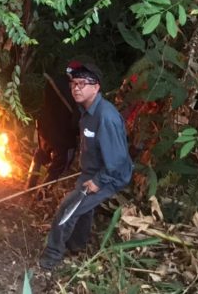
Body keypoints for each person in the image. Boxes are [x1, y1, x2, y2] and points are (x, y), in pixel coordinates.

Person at [39, 61, 133, 270]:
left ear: (96, 87)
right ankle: (77, 245)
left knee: (68, 208)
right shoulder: (85, 111)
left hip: (110, 175)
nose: (76, 88)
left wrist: (98, 181)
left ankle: (52, 255)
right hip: (93, 171)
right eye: (73, 83)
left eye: (82, 83)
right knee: (83, 208)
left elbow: (117, 160)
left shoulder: (105, 117)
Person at [25, 61, 82, 189]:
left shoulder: (54, 81)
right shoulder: (75, 93)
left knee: (41, 154)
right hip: (62, 137)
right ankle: (40, 196)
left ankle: (29, 186)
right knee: (58, 167)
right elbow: (75, 122)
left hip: (44, 128)